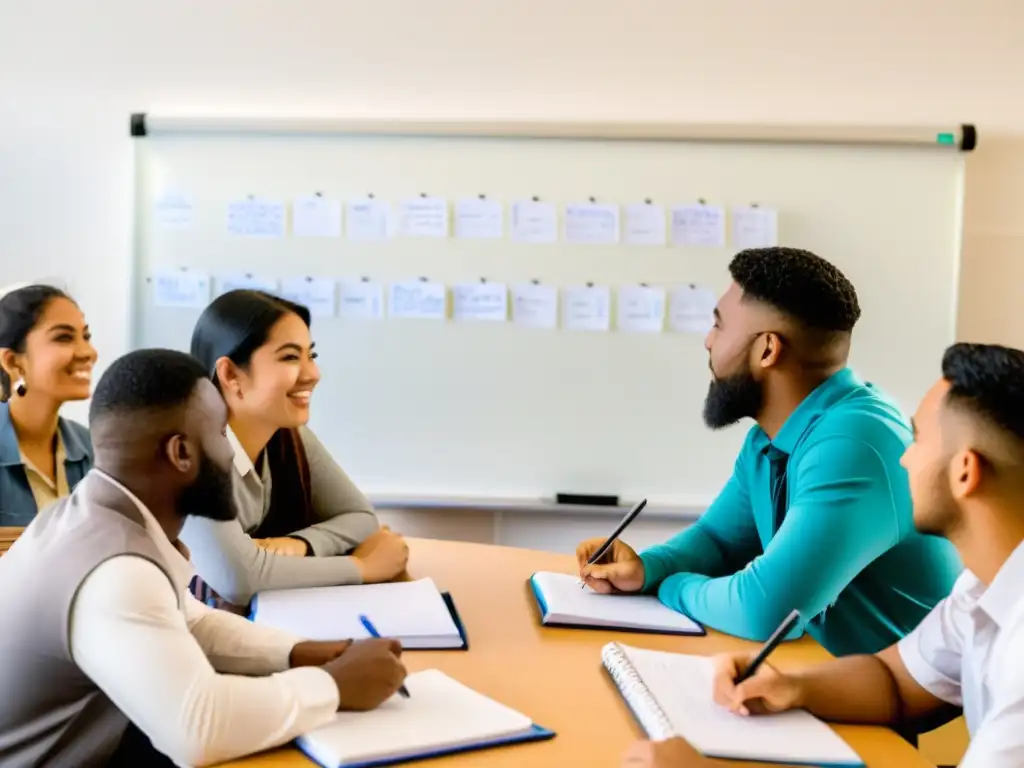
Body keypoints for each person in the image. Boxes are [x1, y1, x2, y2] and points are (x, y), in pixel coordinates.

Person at [0, 348, 408, 767]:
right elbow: (198, 730)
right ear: (181, 453)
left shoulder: (93, 516)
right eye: (220, 434)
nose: (232, 454)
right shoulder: (115, 571)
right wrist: (335, 684)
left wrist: (301, 652)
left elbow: (189, 620)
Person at [625, 342, 1024, 768]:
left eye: (919, 439)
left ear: (965, 472)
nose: (904, 457)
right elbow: (897, 680)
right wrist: (792, 686)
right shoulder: (983, 586)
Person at [577, 248, 962, 656]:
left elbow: (766, 610)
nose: (708, 341)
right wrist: (647, 569)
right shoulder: (770, 438)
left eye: (718, 326)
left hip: (906, 712)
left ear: (767, 350)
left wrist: (668, 586)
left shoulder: (854, 443)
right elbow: (719, 542)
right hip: (830, 675)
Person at [182, 289, 408, 610]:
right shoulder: (191, 456)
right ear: (231, 374)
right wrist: (363, 569)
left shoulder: (289, 436)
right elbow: (238, 579)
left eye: (310, 355)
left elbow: (360, 517)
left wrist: (300, 544)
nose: (312, 374)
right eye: (290, 357)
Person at [0, 283, 96, 524]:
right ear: (12, 362)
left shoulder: (93, 448)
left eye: (85, 336)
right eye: (64, 337)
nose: (88, 352)